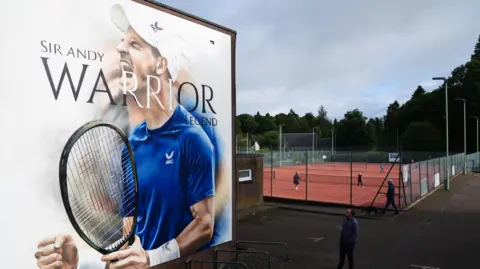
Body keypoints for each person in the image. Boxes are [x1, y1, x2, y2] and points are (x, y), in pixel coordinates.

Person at [35, 4, 217, 268]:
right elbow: (128, 229)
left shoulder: (193, 140)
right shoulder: (131, 144)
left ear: (161, 63)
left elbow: (205, 225)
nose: (120, 49)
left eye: (134, 44)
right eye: (123, 42)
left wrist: (152, 259)